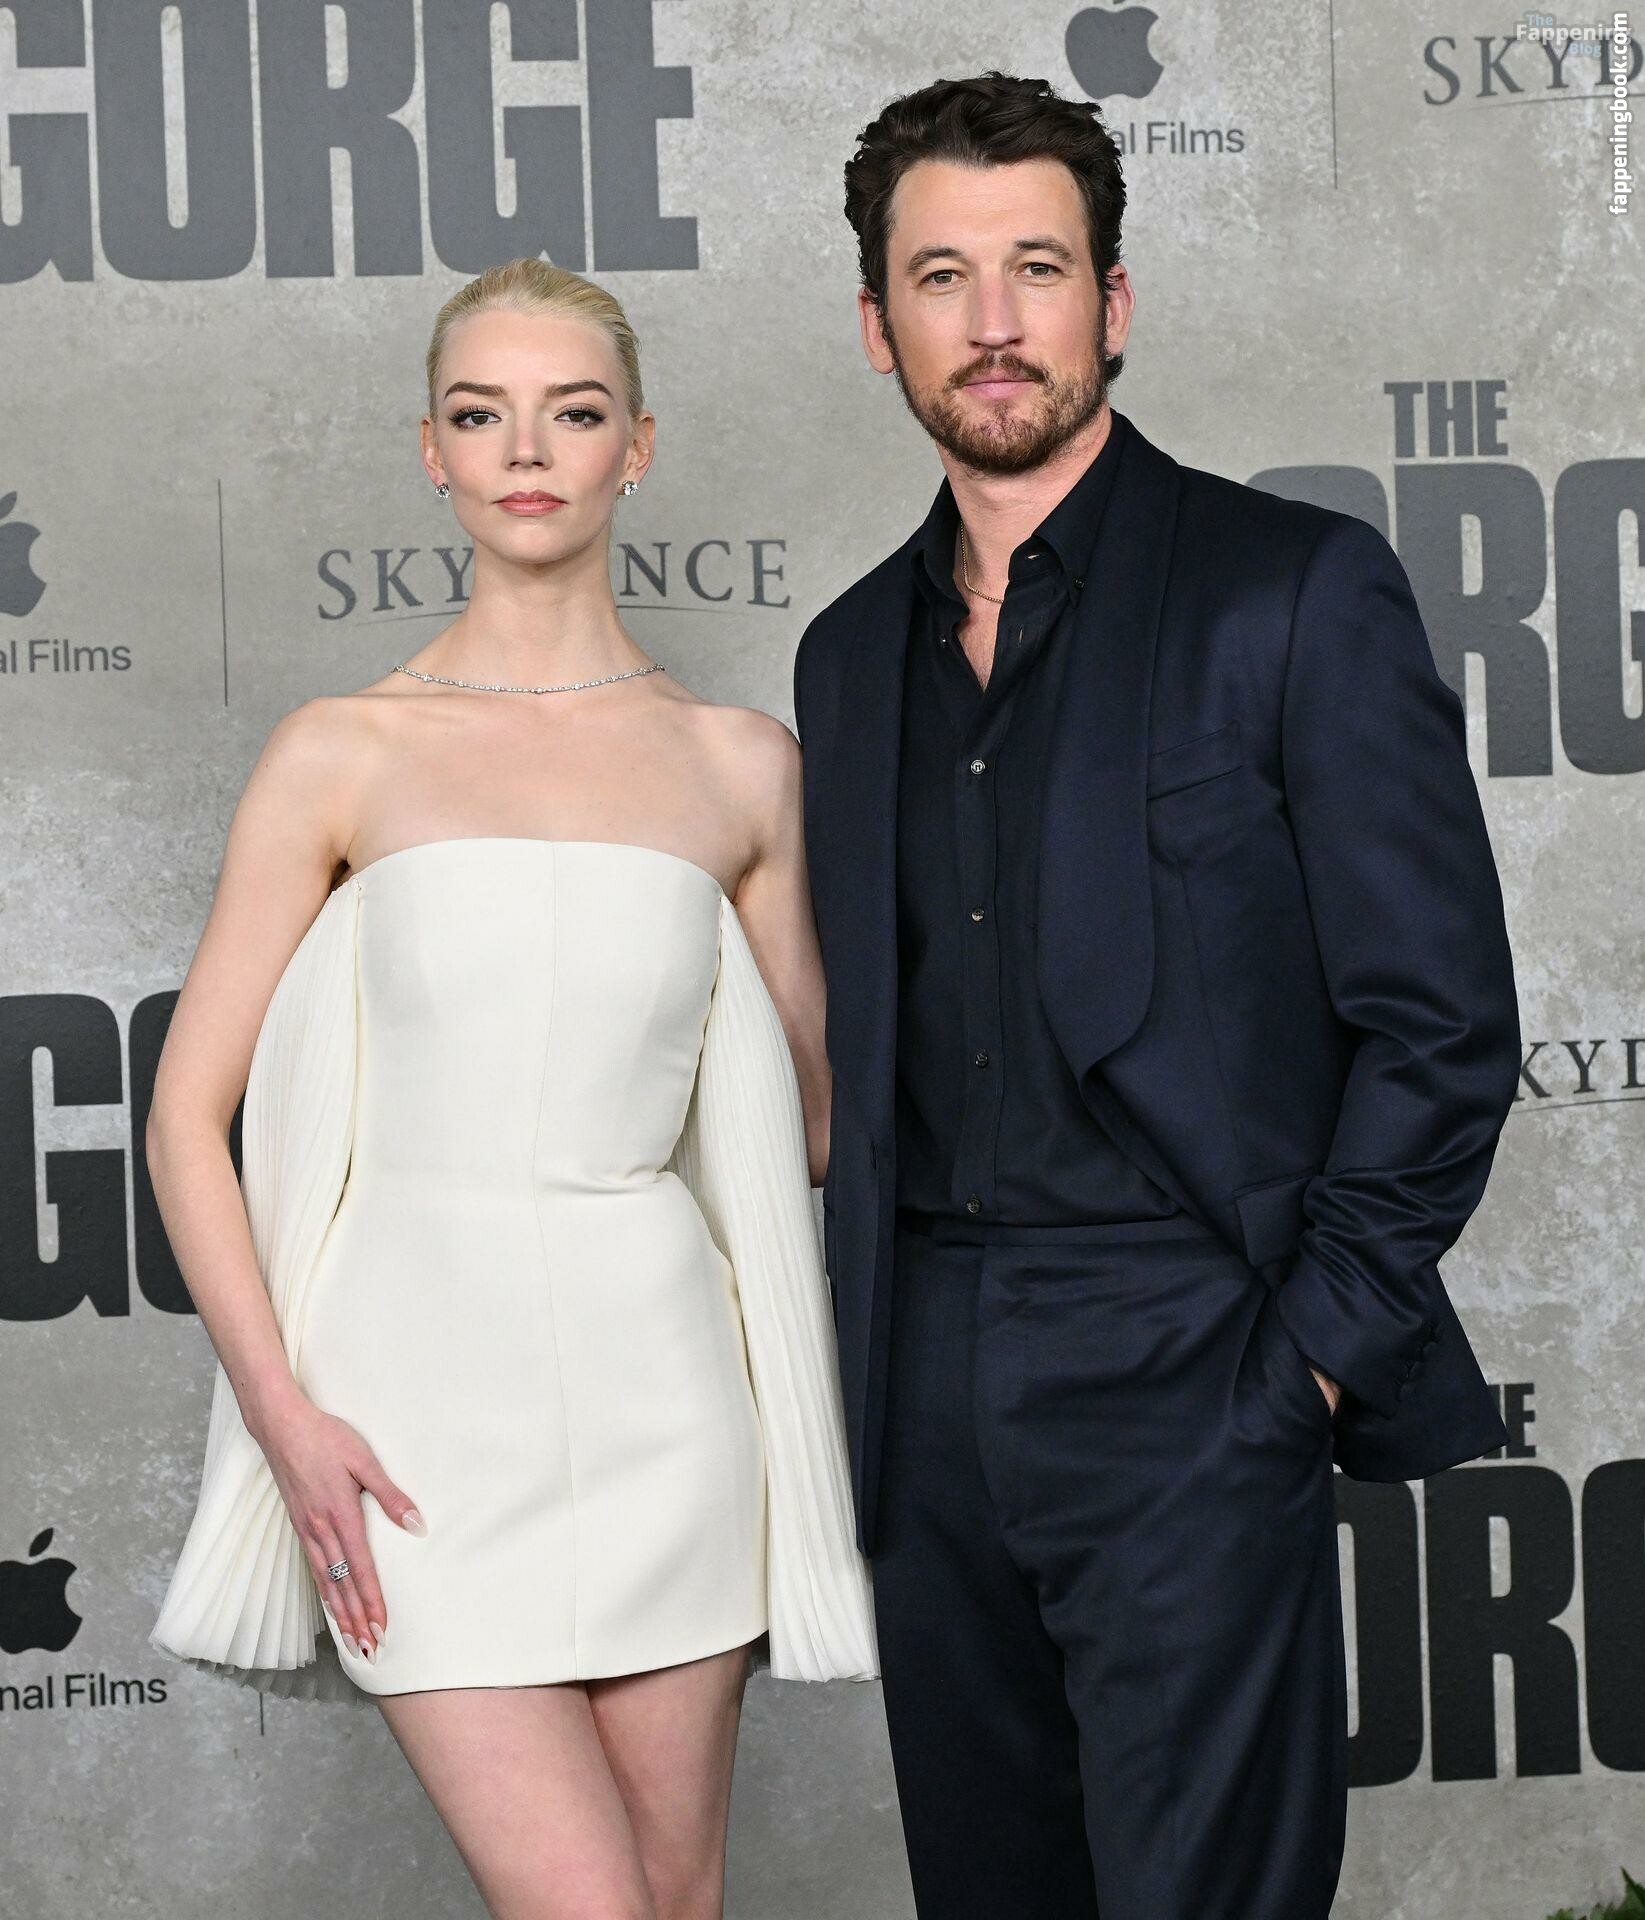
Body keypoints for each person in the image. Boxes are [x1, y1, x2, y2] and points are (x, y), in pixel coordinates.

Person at [791, 73, 1520, 1919]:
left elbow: (1440, 1022)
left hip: (1196, 1356)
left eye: (1036, 268)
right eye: (940, 277)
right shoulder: (846, 654)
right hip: (923, 1383)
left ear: (1111, 301)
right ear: (877, 326)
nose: (994, 320)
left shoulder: (1290, 590)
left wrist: (1303, 1360)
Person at [148, 257, 875, 1920]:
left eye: (574, 412)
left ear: (638, 448)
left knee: (674, 1907)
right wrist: (283, 1418)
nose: (526, 450)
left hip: (671, 1407)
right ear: (433, 451)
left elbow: (808, 1126)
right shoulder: (341, 751)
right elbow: (187, 1120)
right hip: (408, 1420)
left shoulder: (739, 766)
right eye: (481, 415)